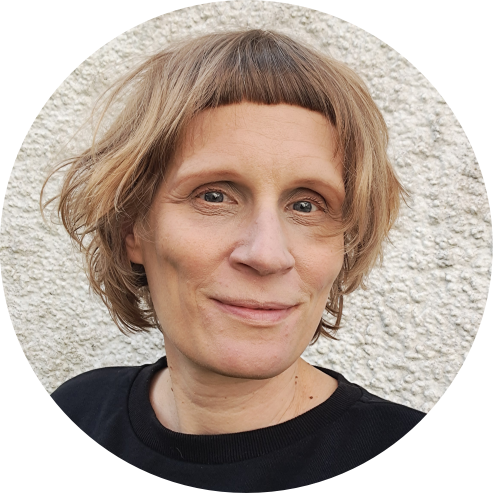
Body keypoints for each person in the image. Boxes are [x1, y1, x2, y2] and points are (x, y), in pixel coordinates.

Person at [46, 29, 425, 491]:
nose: (267, 255)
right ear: (133, 229)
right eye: (214, 196)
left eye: (306, 205)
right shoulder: (74, 418)